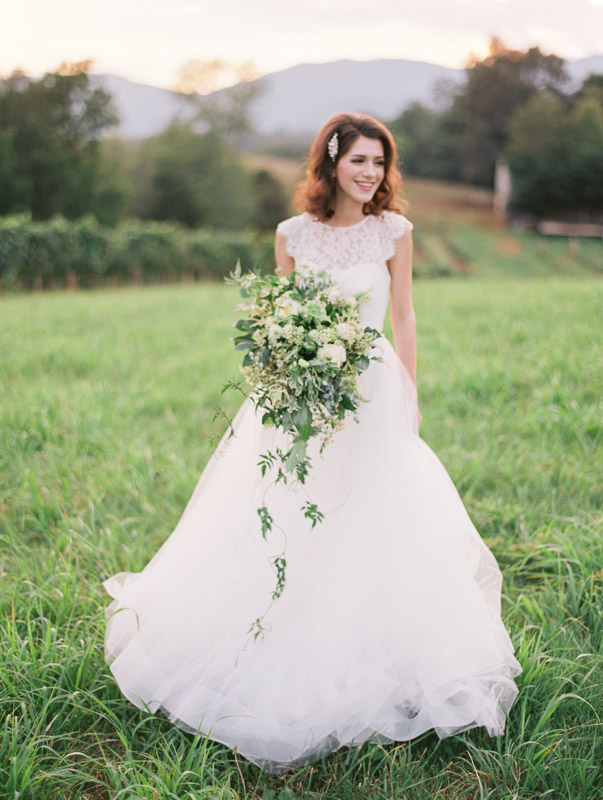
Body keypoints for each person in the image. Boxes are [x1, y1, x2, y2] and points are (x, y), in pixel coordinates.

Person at [103, 111, 522, 775]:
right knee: (296, 513)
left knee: (374, 514)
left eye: (379, 162)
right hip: (301, 397)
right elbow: (281, 316)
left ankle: (377, 640)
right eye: (358, 160)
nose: (370, 174)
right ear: (329, 164)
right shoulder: (291, 234)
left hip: (373, 392)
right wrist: (287, 368)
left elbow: (404, 315)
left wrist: (409, 393)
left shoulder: (394, 231)